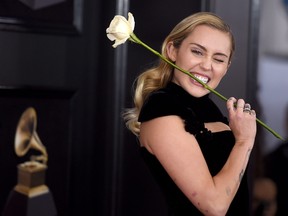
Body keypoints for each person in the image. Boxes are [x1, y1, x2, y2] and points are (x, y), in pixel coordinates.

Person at [123, 12, 257, 215]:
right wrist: (244, 141)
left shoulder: (208, 108)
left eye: (219, 59)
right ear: (172, 50)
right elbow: (214, 207)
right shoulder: (161, 110)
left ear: (227, 67)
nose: (207, 65)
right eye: (197, 52)